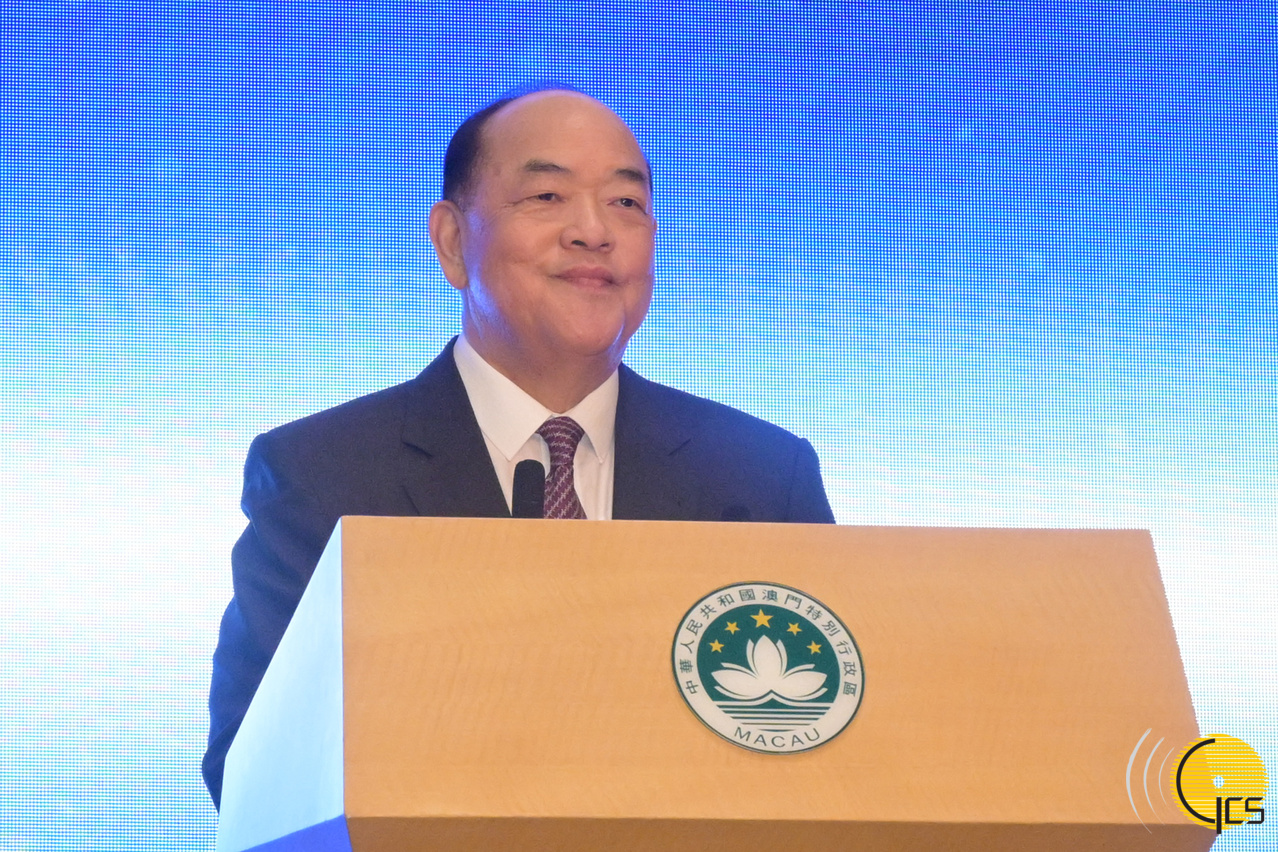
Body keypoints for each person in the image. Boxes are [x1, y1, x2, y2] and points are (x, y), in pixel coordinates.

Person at [203, 85, 835, 807]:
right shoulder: (325, 476)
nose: (593, 231)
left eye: (625, 202)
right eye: (547, 196)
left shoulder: (762, 478)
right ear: (452, 242)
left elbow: (836, 756)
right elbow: (254, 775)